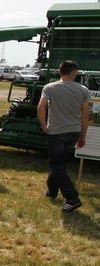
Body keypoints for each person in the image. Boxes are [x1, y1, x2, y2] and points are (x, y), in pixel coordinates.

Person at [37, 60, 90, 212]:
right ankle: (52, 192)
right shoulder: (83, 90)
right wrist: (82, 136)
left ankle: (72, 197)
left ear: (60, 71)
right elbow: (85, 116)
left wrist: (43, 125)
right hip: (73, 132)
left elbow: (41, 107)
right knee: (59, 163)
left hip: (56, 132)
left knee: (56, 165)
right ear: (73, 72)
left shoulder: (50, 87)